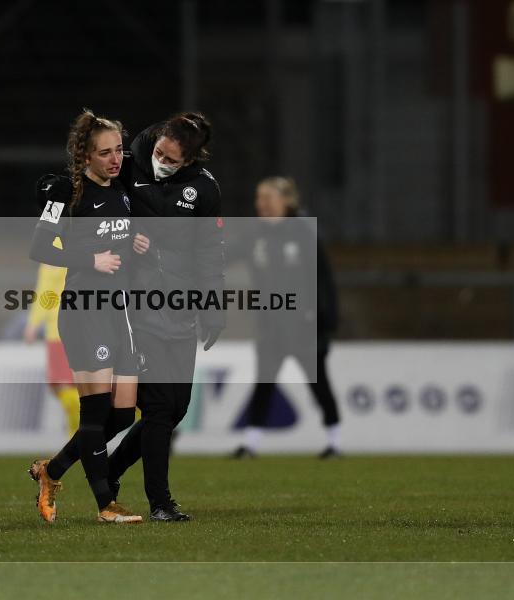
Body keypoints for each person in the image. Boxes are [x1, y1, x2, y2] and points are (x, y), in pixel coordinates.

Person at [104, 112, 225, 522]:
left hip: (182, 307)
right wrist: (124, 233)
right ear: (155, 141)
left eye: (171, 160)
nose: (161, 162)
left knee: (176, 410)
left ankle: (108, 471)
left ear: (189, 161)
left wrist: (213, 306)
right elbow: (95, 211)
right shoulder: (128, 164)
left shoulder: (204, 190)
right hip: (136, 307)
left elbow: (209, 251)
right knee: (157, 409)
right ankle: (160, 502)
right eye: (159, 153)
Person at [26, 109, 142, 524]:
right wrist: (89, 257)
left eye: (119, 150)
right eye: (105, 152)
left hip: (118, 311)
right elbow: (40, 247)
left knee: (124, 414)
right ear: (85, 156)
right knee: (94, 413)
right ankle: (105, 506)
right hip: (84, 310)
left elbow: (121, 237)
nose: (115, 159)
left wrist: (137, 243)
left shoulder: (124, 190)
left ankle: (51, 470)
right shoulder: (65, 195)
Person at [230, 176, 342, 459]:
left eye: (268, 198)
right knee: (264, 383)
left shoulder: (304, 233)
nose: (261, 205)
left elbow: (324, 279)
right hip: (271, 324)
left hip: (305, 326)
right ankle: (251, 444)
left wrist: (327, 319)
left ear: (287, 201)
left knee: (318, 384)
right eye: (259, 199)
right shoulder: (254, 234)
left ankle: (335, 441)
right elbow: (224, 255)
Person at [23, 263, 80, 437]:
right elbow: (46, 291)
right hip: (61, 330)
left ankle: (79, 440)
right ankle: (79, 439)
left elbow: (45, 290)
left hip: (66, 329)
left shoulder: (58, 246)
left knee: (67, 387)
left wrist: (33, 323)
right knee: (62, 386)